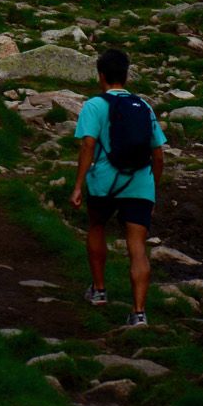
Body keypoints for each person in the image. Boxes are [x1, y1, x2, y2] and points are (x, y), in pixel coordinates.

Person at [69, 48, 166, 326]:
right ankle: (139, 313)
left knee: (97, 226)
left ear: (101, 75)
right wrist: (152, 188)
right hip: (140, 183)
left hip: (104, 182)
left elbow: (88, 144)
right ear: (126, 75)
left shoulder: (94, 105)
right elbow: (158, 154)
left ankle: (99, 290)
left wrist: (78, 185)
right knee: (137, 244)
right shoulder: (143, 106)